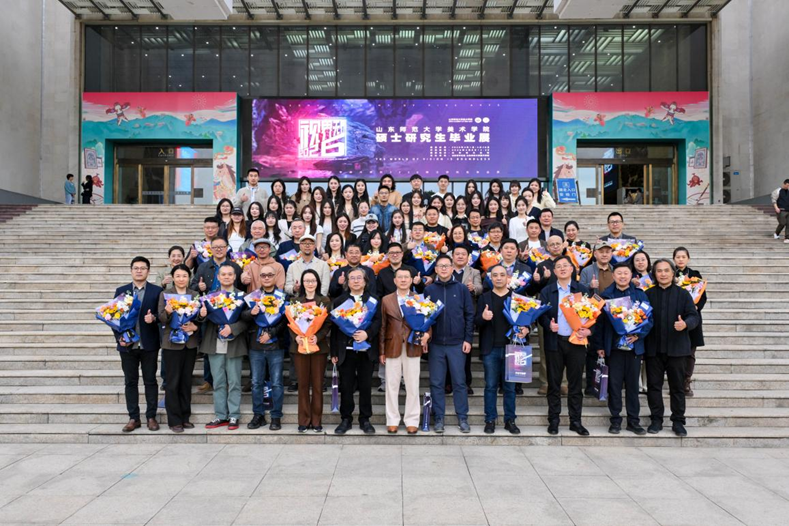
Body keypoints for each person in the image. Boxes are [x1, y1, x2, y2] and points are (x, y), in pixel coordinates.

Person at [591, 264, 653, 435]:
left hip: (634, 348)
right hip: (614, 347)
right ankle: (616, 420)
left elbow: (649, 320)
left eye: (626, 273)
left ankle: (633, 421)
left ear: (631, 275)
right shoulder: (606, 295)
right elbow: (599, 324)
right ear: (613, 275)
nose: (623, 276)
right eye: (619, 273)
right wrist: (600, 346)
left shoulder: (640, 294)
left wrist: (638, 334)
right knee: (614, 385)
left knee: (633, 386)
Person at [644, 259, 700, 437]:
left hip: (677, 349)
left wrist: (685, 324)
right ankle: (656, 419)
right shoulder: (648, 294)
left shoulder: (683, 294)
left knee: (677, 387)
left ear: (673, 273)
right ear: (654, 274)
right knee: (654, 386)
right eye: (659, 271)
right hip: (653, 349)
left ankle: (678, 421)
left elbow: (694, 316)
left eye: (666, 270)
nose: (663, 274)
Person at [538, 255, 592, 436]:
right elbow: (540, 315)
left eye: (565, 265)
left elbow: (593, 314)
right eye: (558, 266)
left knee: (575, 384)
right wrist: (548, 324)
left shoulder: (582, 290)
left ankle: (575, 421)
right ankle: (553, 420)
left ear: (571, 269)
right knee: (554, 383)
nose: (562, 268)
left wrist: (589, 331)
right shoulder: (547, 291)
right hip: (555, 342)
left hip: (576, 342)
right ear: (554, 271)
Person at [425, 255, 475, 433]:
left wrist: (468, 339)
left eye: (447, 265)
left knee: (459, 382)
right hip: (436, 344)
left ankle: (462, 417)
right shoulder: (429, 290)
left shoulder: (461, 289)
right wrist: (425, 338)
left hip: (457, 344)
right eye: (440, 266)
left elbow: (469, 315)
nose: (444, 269)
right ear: (436, 269)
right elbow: (424, 316)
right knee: (436, 382)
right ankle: (438, 417)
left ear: (452, 268)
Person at [477, 265, 529, 435]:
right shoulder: (484, 298)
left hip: (513, 348)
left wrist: (527, 329)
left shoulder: (517, 298)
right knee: (490, 386)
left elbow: (528, 320)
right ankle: (490, 419)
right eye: (495, 275)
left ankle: (510, 420)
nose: (498, 278)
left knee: (510, 388)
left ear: (508, 278)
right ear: (490, 278)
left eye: (502, 275)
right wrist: (483, 318)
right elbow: (476, 322)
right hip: (490, 348)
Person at [198, 263, 248, 430]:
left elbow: (247, 320)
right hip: (214, 344)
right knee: (218, 381)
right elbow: (201, 319)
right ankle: (220, 415)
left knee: (234, 382)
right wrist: (202, 315)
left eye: (229, 274)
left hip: (234, 344)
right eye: (223, 274)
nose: (226, 277)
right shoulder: (210, 297)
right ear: (218, 277)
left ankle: (234, 415)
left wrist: (232, 328)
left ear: (235, 277)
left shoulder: (242, 296)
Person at [115, 257, 162, 433]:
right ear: (131, 270)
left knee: (150, 381)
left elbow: (163, 315)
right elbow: (113, 317)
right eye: (136, 268)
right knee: (130, 382)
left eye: (143, 268)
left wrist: (154, 318)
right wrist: (119, 338)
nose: (139, 271)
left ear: (148, 271)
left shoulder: (157, 291)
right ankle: (133, 418)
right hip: (128, 346)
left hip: (148, 344)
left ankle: (151, 416)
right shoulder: (122, 291)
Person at [331, 267, 381, 435]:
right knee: (346, 386)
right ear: (347, 282)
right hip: (346, 350)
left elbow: (378, 322)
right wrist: (334, 352)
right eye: (352, 278)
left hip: (366, 349)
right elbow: (335, 329)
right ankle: (346, 419)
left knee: (366, 386)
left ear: (365, 281)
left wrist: (367, 333)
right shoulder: (339, 301)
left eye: (359, 278)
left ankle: (365, 419)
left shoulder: (373, 300)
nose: (356, 281)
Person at [380, 268, 429, 434]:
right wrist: (381, 350)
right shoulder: (386, 300)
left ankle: (412, 420)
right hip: (392, 345)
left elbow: (427, 320)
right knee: (391, 385)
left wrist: (427, 335)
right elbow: (382, 326)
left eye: (406, 277)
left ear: (411, 280)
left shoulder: (418, 298)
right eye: (399, 277)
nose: (403, 280)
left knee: (412, 384)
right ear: (395, 280)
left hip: (412, 344)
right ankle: (392, 420)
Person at [242, 264, 287, 431]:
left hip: (276, 345)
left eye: (270, 275)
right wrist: (251, 313)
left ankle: (276, 416)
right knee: (256, 383)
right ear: (259, 278)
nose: (267, 278)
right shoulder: (253, 296)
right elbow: (242, 316)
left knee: (277, 383)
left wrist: (271, 333)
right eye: (263, 275)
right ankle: (258, 415)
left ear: (275, 277)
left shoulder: (283, 296)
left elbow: (286, 320)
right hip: (256, 346)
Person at [157, 264, 200, 433]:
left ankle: (185, 417)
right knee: (172, 381)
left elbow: (200, 318)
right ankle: (174, 420)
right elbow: (161, 318)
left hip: (189, 343)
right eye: (178, 276)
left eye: (184, 276)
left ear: (189, 278)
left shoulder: (194, 295)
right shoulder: (165, 295)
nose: (181, 279)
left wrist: (196, 326)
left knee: (186, 381)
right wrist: (167, 312)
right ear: (173, 278)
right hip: (171, 344)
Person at [290, 269, 332, 432]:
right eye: (306, 281)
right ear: (302, 283)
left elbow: (328, 323)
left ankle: (316, 420)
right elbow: (291, 323)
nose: (310, 283)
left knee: (317, 385)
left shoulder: (324, 301)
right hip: (300, 347)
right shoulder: (295, 301)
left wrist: (318, 336)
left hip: (318, 348)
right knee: (302, 385)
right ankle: (303, 420)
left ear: (318, 282)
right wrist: (296, 337)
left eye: (313, 280)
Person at [445, 244, 482, 395]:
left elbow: (480, 288)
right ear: (452, 256)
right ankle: (448, 382)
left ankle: (466, 383)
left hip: (466, 315)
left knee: (465, 350)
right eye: (457, 254)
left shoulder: (474, 272)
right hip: (447, 315)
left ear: (468, 257)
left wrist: (474, 288)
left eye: (463, 254)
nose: (460, 256)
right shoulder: (445, 270)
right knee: (447, 351)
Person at [673, 247, 706, 397]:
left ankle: (686, 381)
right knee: (677, 351)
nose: (680, 259)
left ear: (688, 258)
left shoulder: (695, 275)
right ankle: (676, 381)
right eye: (678, 257)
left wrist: (695, 306)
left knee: (691, 351)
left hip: (692, 318)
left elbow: (702, 296)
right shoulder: (669, 274)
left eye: (683, 257)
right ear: (674, 259)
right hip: (675, 317)